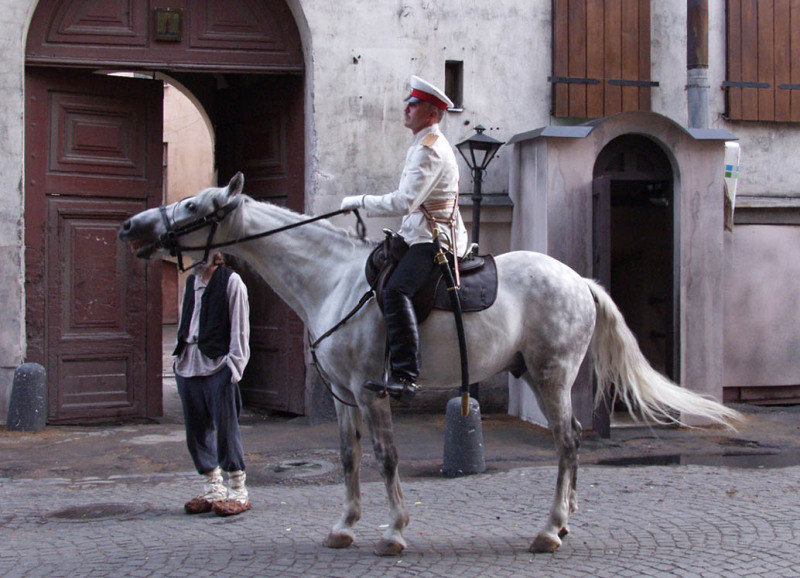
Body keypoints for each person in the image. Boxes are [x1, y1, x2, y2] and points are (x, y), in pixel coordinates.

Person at [340, 75, 468, 401]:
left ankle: (407, 376)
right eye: (408, 102)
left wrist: (360, 201)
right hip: (417, 233)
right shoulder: (421, 145)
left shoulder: (430, 150)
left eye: (414, 104)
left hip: (434, 238)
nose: (407, 108)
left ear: (432, 114)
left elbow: (404, 201)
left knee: (397, 289)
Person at [173, 251, 252, 516]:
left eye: (198, 253)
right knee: (196, 429)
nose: (192, 258)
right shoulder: (190, 283)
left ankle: (238, 488)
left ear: (214, 254)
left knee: (226, 427)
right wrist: (180, 358)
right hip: (189, 362)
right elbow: (187, 318)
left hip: (218, 363)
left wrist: (234, 366)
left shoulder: (232, 282)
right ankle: (212, 486)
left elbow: (241, 328)